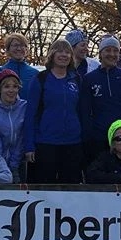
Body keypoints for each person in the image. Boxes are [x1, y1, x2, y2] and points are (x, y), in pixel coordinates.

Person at [24, 40, 84, 183]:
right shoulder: (40, 79)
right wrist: (29, 146)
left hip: (72, 143)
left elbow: (81, 111)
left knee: (71, 188)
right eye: (60, 51)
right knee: (44, 189)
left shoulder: (76, 79)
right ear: (52, 54)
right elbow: (30, 115)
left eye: (67, 52)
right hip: (46, 143)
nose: (64, 55)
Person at [80, 35, 121, 158]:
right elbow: (85, 112)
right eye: (108, 50)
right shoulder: (89, 79)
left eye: (115, 51)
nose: (112, 54)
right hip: (99, 138)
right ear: (100, 53)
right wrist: (87, 137)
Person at [0, 33, 39, 101]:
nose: (19, 48)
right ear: (8, 49)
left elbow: (39, 99)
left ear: (26, 49)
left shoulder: (35, 73)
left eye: (22, 45)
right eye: (15, 45)